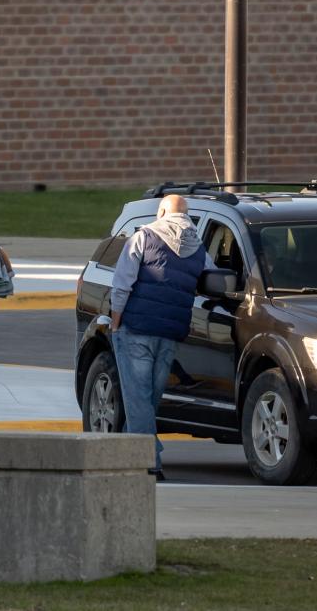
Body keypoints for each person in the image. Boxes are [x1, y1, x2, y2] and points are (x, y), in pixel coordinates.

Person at [109, 194, 212, 479]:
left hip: (136, 329)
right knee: (148, 400)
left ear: (163, 211)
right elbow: (214, 280)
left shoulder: (144, 237)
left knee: (138, 399)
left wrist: (116, 323)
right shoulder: (200, 249)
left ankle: (149, 463)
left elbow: (121, 285)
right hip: (170, 335)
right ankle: (127, 461)